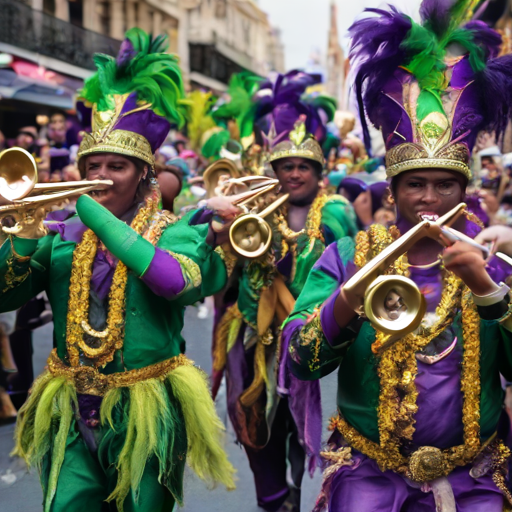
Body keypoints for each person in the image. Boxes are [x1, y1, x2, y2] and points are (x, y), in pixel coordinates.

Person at [281, 2, 512, 511]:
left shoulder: (492, 260)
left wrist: (488, 291)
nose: (430, 198)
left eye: (445, 184)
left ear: (464, 189)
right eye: (416, 185)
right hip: (368, 474)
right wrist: (352, 296)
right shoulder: (348, 255)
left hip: (476, 478)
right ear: (393, 191)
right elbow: (302, 361)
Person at [1, 28, 235, 512]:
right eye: (94, 165)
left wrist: (95, 216)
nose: (103, 177)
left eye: (118, 167)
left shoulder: (173, 231)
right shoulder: (60, 234)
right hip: (69, 403)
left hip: (147, 404)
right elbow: (4, 297)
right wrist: (23, 237)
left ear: (144, 175)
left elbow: (175, 283)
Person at [213, 118, 357, 512]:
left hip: (310, 337)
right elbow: (223, 274)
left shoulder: (338, 212)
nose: (294, 174)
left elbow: (351, 267)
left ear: (318, 174)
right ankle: (276, 499)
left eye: (303, 167)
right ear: (273, 172)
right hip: (254, 339)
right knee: (257, 424)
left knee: (299, 424)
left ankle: (296, 484)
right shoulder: (253, 208)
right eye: (286, 167)